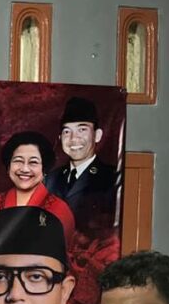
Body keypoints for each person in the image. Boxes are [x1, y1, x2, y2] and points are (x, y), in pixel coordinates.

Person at [0, 130, 76, 263]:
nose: (25, 169)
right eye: (18, 161)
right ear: (8, 166)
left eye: (33, 162)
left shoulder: (60, 210)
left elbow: (63, 263)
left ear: (45, 168)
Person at [45, 96, 120, 237]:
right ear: (60, 138)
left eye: (82, 129)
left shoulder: (112, 178)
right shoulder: (51, 179)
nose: (74, 138)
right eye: (67, 131)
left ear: (97, 135)